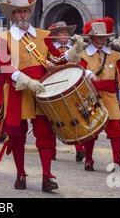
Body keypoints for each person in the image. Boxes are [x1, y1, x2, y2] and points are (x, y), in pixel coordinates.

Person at [0, 0, 84, 192]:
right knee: (17, 135)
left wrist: (74, 52)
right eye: (19, 11)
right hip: (18, 87)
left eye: (26, 11)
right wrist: (27, 81)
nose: (23, 14)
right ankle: (20, 174)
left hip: (42, 88)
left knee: (45, 132)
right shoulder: (3, 39)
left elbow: (58, 59)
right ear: (12, 14)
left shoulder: (43, 35)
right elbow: (5, 67)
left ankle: (46, 176)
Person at [79, 17, 120, 172]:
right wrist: (89, 74)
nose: (101, 39)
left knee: (116, 128)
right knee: (91, 130)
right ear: (91, 37)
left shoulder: (114, 55)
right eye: (98, 36)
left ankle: (117, 161)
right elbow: (79, 71)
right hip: (91, 96)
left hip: (110, 97)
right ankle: (88, 159)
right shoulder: (83, 54)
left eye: (104, 36)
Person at [47, 21, 85, 162]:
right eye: (61, 33)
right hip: (54, 85)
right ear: (55, 36)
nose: (65, 35)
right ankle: (51, 148)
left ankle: (79, 148)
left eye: (66, 33)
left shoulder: (74, 47)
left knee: (75, 117)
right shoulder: (49, 48)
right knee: (53, 118)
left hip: (72, 85)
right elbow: (56, 61)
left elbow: (81, 64)